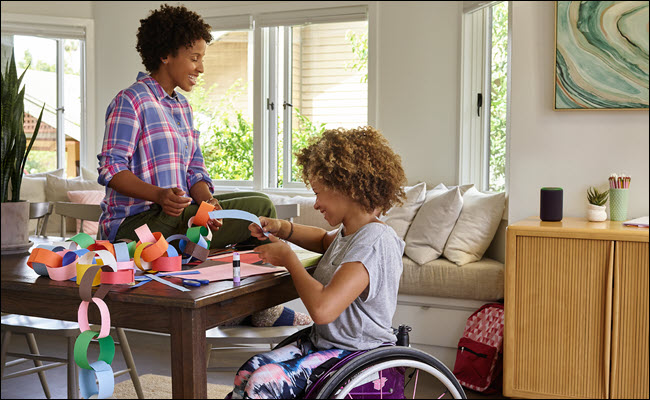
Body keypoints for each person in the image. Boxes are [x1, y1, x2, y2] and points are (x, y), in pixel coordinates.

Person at [96, 4, 308, 327]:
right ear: (166, 54)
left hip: (181, 220)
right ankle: (252, 314)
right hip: (135, 232)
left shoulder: (183, 108)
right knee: (185, 216)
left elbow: (195, 169)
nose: (201, 68)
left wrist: (206, 199)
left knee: (260, 207)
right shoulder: (132, 101)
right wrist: (159, 196)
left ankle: (254, 310)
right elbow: (110, 169)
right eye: (195, 58)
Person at [229, 126, 407, 399]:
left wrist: (289, 259)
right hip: (324, 344)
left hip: (357, 353)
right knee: (248, 372)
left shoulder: (374, 241)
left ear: (347, 187)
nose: (316, 204)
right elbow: (324, 240)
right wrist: (282, 228)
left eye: (318, 193)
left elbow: (324, 310)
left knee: (263, 384)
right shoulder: (352, 232)